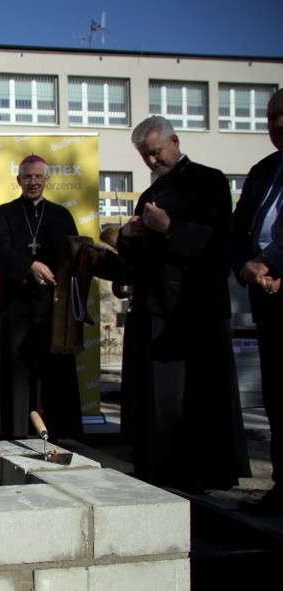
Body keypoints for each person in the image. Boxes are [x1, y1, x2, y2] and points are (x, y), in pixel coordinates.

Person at [117, 115, 250, 494]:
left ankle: (201, 472)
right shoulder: (150, 192)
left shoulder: (209, 180)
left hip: (194, 307)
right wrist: (127, 236)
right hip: (154, 303)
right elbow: (136, 251)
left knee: (195, 398)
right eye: (145, 156)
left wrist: (169, 227)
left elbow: (217, 239)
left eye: (156, 152)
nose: (152, 162)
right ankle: (159, 466)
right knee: (159, 398)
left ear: (174, 141)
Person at [0, 154, 83, 440]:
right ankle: (16, 430)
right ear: (18, 180)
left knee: (53, 375)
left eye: (38, 177)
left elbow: (74, 254)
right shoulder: (2, 214)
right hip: (16, 306)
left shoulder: (61, 215)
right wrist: (28, 265)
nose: (33, 182)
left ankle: (59, 429)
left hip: (52, 310)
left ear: (47, 180)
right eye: (27, 177)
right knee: (16, 373)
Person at [227, 89, 283, 514]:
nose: (276, 125)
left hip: (277, 276)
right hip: (264, 294)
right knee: (277, 393)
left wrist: (270, 262)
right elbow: (239, 226)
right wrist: (246, 265)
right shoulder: (263, 170)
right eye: (270, 118)